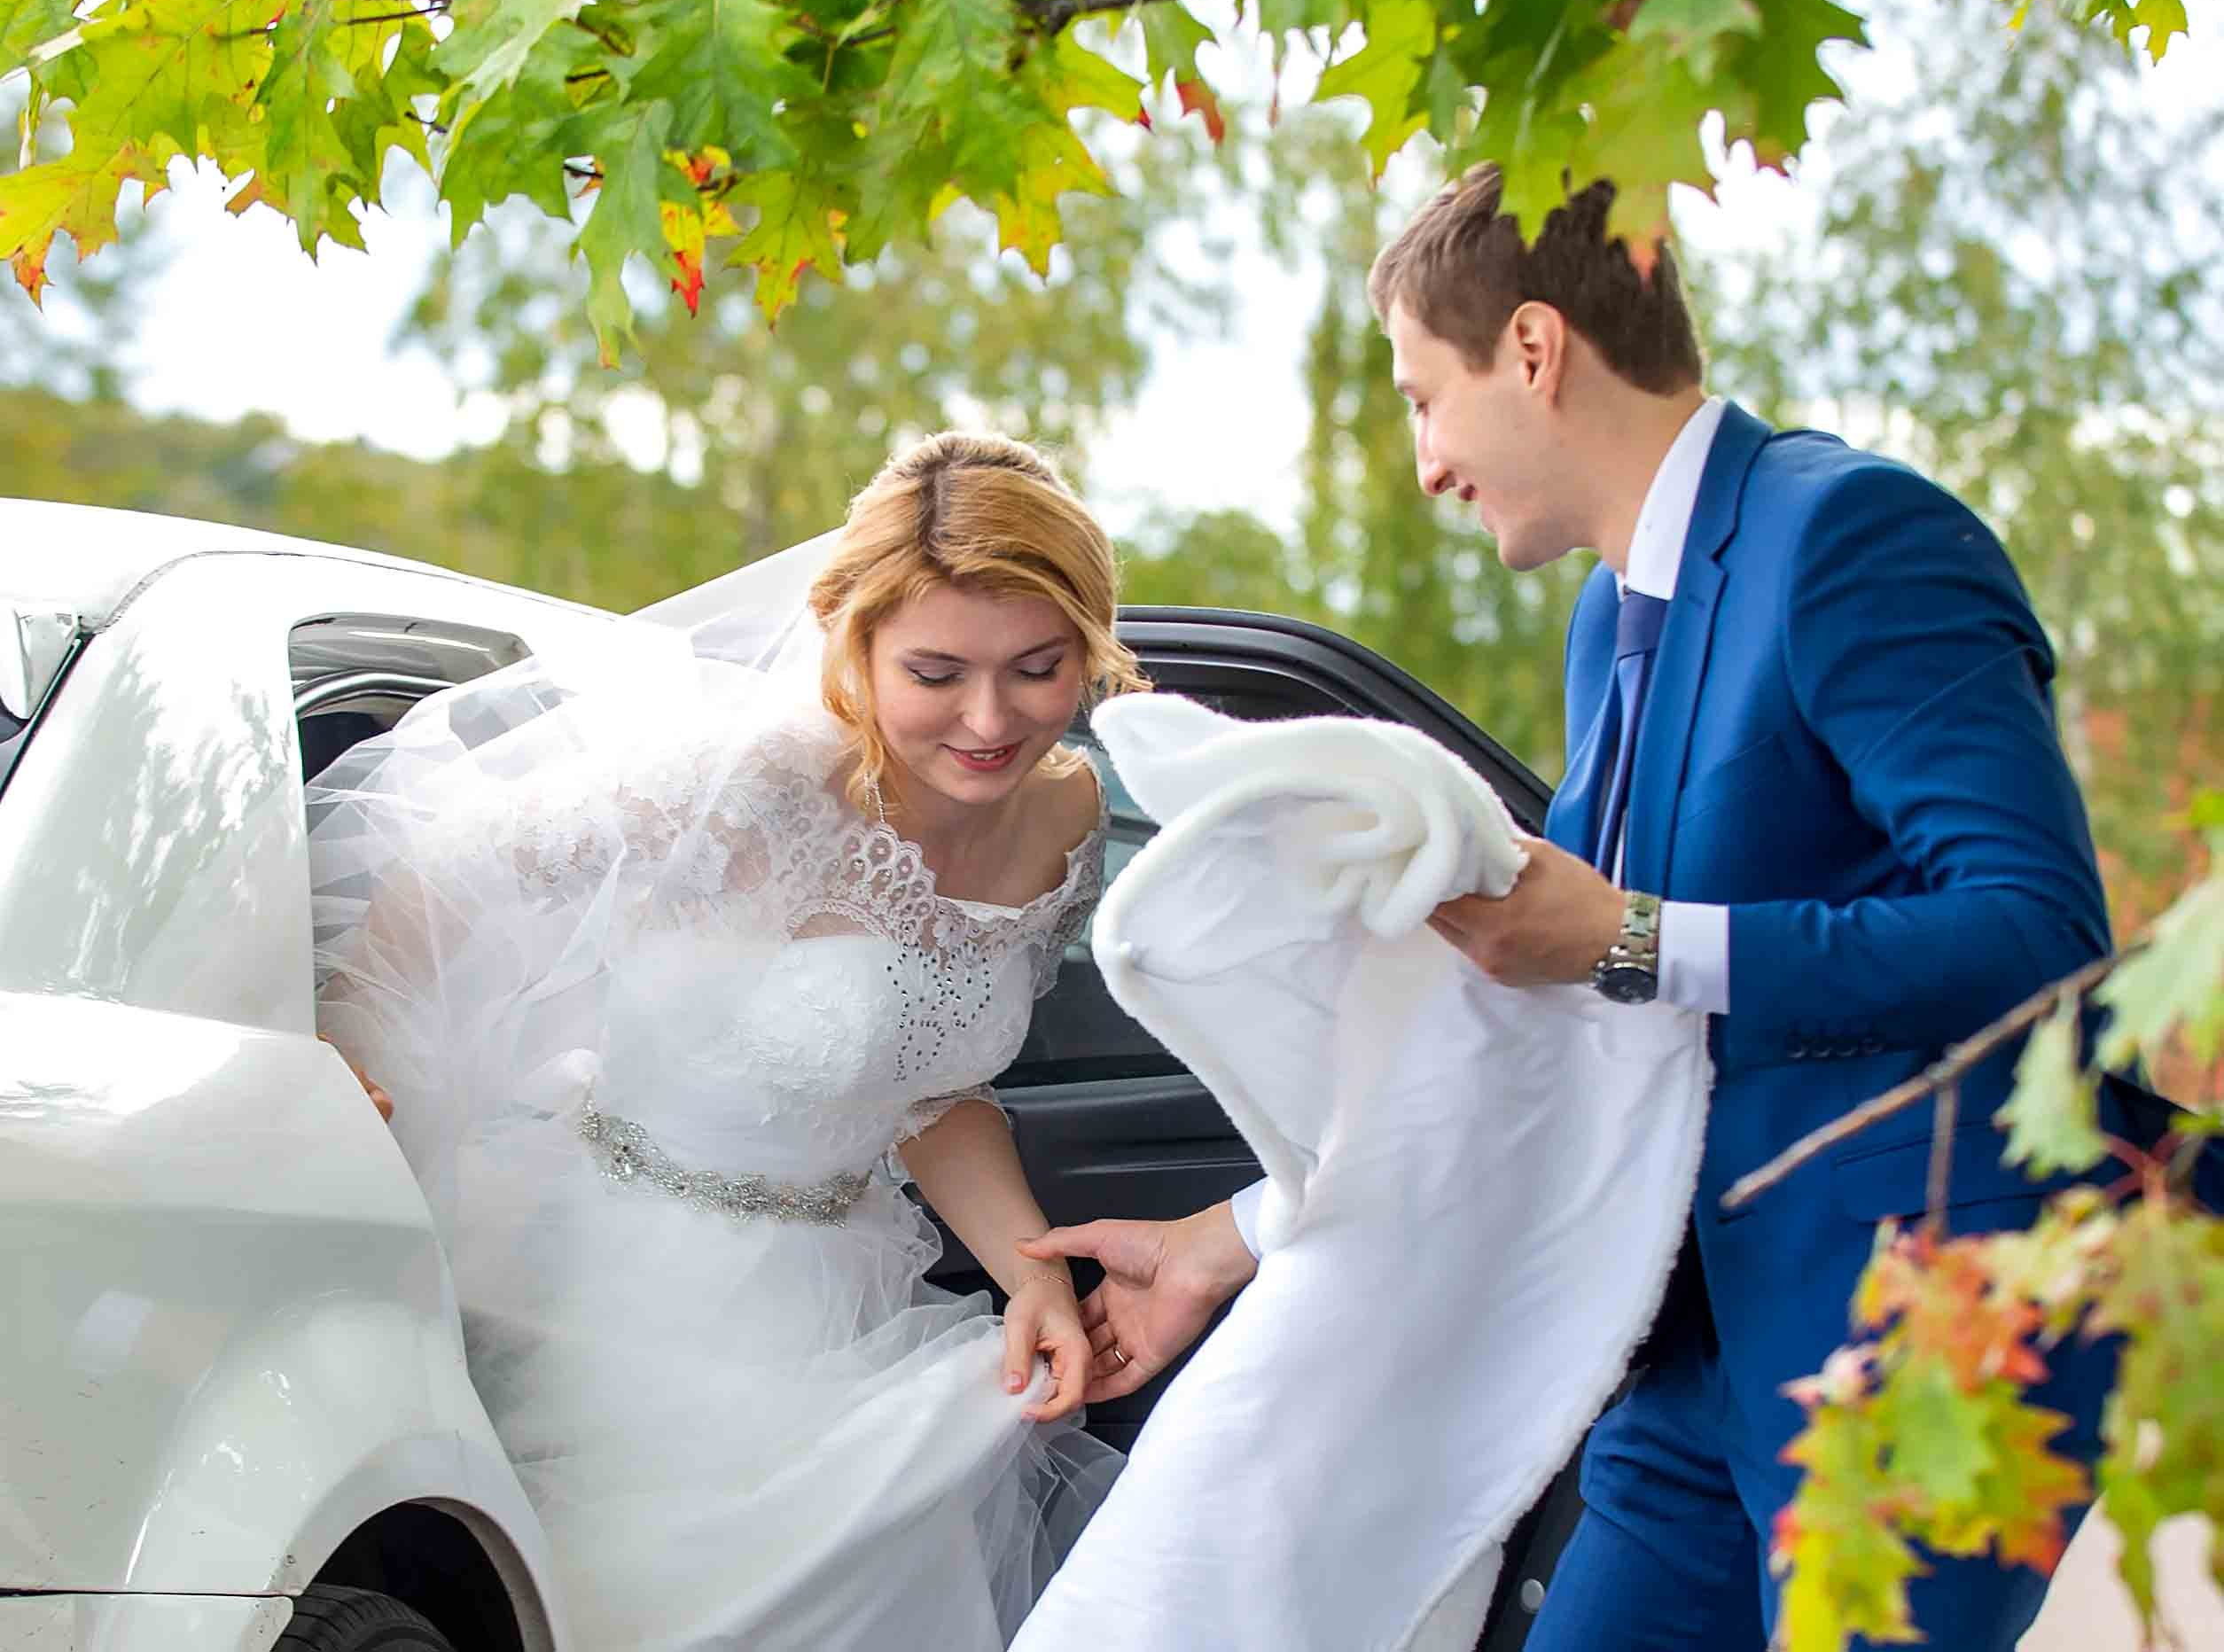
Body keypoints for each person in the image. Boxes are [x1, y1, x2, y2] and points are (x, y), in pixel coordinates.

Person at [1023, 167, 2129, 1651]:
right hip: (1684, 1346)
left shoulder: (1854, 537)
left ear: (1532, 350)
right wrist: (1237, 1232)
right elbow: (1553, 1023)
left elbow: (2035, 936)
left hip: (1920, 1328)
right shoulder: (1612, 610)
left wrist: (1630, 938)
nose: (1424, 460)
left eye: (1424, 396)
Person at [310, 432, 1140, 1650]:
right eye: (934, 672)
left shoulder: (1064, 814)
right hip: (618, 1296)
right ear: (851, 645)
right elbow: (433, 889)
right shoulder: (748, 783)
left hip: (840, 1289)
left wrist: (1030, 1277)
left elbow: (935, 1091)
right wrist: (342, 1072)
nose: (987, 718)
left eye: (1036, 667)